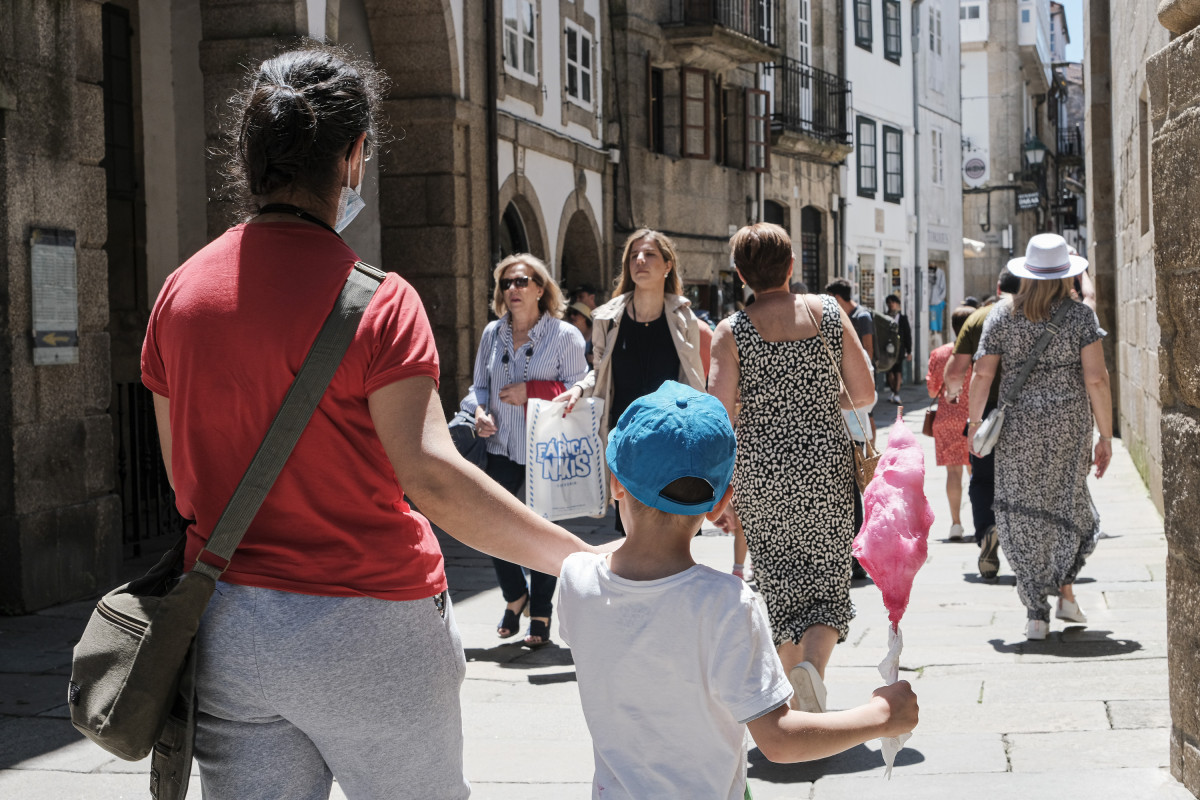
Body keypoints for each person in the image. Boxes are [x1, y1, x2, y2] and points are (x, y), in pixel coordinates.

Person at [141, 47, 608, 799]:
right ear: (354, 157)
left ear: (250, 155)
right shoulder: (378, 301)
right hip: (373, 626)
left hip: (233, 629)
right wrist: (580, 559)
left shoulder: (180, 295)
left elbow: (182, 476)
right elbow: (432, 477)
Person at [557, 381, 919, 799]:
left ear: (616, 484)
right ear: (721, 502)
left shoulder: (575, 580)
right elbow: (778, 739)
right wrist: (881, 715)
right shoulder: (726, 604)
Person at [710, 224, 875, 713]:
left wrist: (719, 490)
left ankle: (793, 696)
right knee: (827, 582)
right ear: (791, 266)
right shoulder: (828, 313)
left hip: (761, 472)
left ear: (741, 274)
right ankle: (812, 672)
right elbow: (864, 392)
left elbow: (717, 415)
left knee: (778, 584)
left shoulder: (731, 331)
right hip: (825, 467)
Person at [967, 234, 1113, 641]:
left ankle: (1036, 612)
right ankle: (1065, 588)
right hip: (1069, 426)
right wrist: (1105, 435)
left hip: (1017, 428)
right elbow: (1097, 379)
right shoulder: (1080, 318)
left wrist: (974, 425)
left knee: (1021, 509)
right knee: (1068, 502)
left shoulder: (1001, 315)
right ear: (1066, 275)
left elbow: (982, 373)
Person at [462, 254, 588, 646]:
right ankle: (516, 595)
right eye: (506, 283)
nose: (512, 289)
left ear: (540, 288)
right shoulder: (492, 333)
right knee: (490, 524)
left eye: (521, 281)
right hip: (500, 446)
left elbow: (580, 389)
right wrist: (478, 412)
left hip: (546, 450)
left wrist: (531, 391)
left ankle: (542, 611)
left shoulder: (565, 336)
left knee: (543, 534)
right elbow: (478, 386)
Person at [557, 229, 712, 530]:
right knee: (631, 532)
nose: (640, 260)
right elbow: (600, 371)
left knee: (674, 531)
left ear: (667, 265)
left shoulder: (684, 318)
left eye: (650, 254)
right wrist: (579, 388)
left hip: (671, 441)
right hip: (625, 440)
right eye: (633, 256)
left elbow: (693, 380)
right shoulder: (608, 318)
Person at [943, 267, 1022, 580]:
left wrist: (952, 394)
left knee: (983, 479)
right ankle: (1023, 546)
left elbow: (955, 372)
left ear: (999, 288)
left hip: (987, 414)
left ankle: (987, 529)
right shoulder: (1039, 315)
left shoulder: (977, 318)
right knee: (1025, 481)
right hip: (1028, 414)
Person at [925, 306, 977, 541]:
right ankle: (980, 521)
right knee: (977, 472)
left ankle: (956, 524)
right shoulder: (981, 354)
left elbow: (932, 390)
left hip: (947, 418)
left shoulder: (940, 354)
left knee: (953, 472)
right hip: (976, 418)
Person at [884, 293, 912, 404]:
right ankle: (894, 392)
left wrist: (909, 351)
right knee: (889, 372)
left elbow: (907, 335)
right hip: (886, 349)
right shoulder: (885, 317)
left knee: (898, 370)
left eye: (893, 302)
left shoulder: (902, 318)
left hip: (899, 349)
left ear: (897, 304)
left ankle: (896, 393)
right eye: (889, 303)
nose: (891, 305)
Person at [565, 300, 594, 366]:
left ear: (584, 317)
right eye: (569, 313)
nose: (571, 316)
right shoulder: (569, 336)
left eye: (575, 313)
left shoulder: (597, 336)